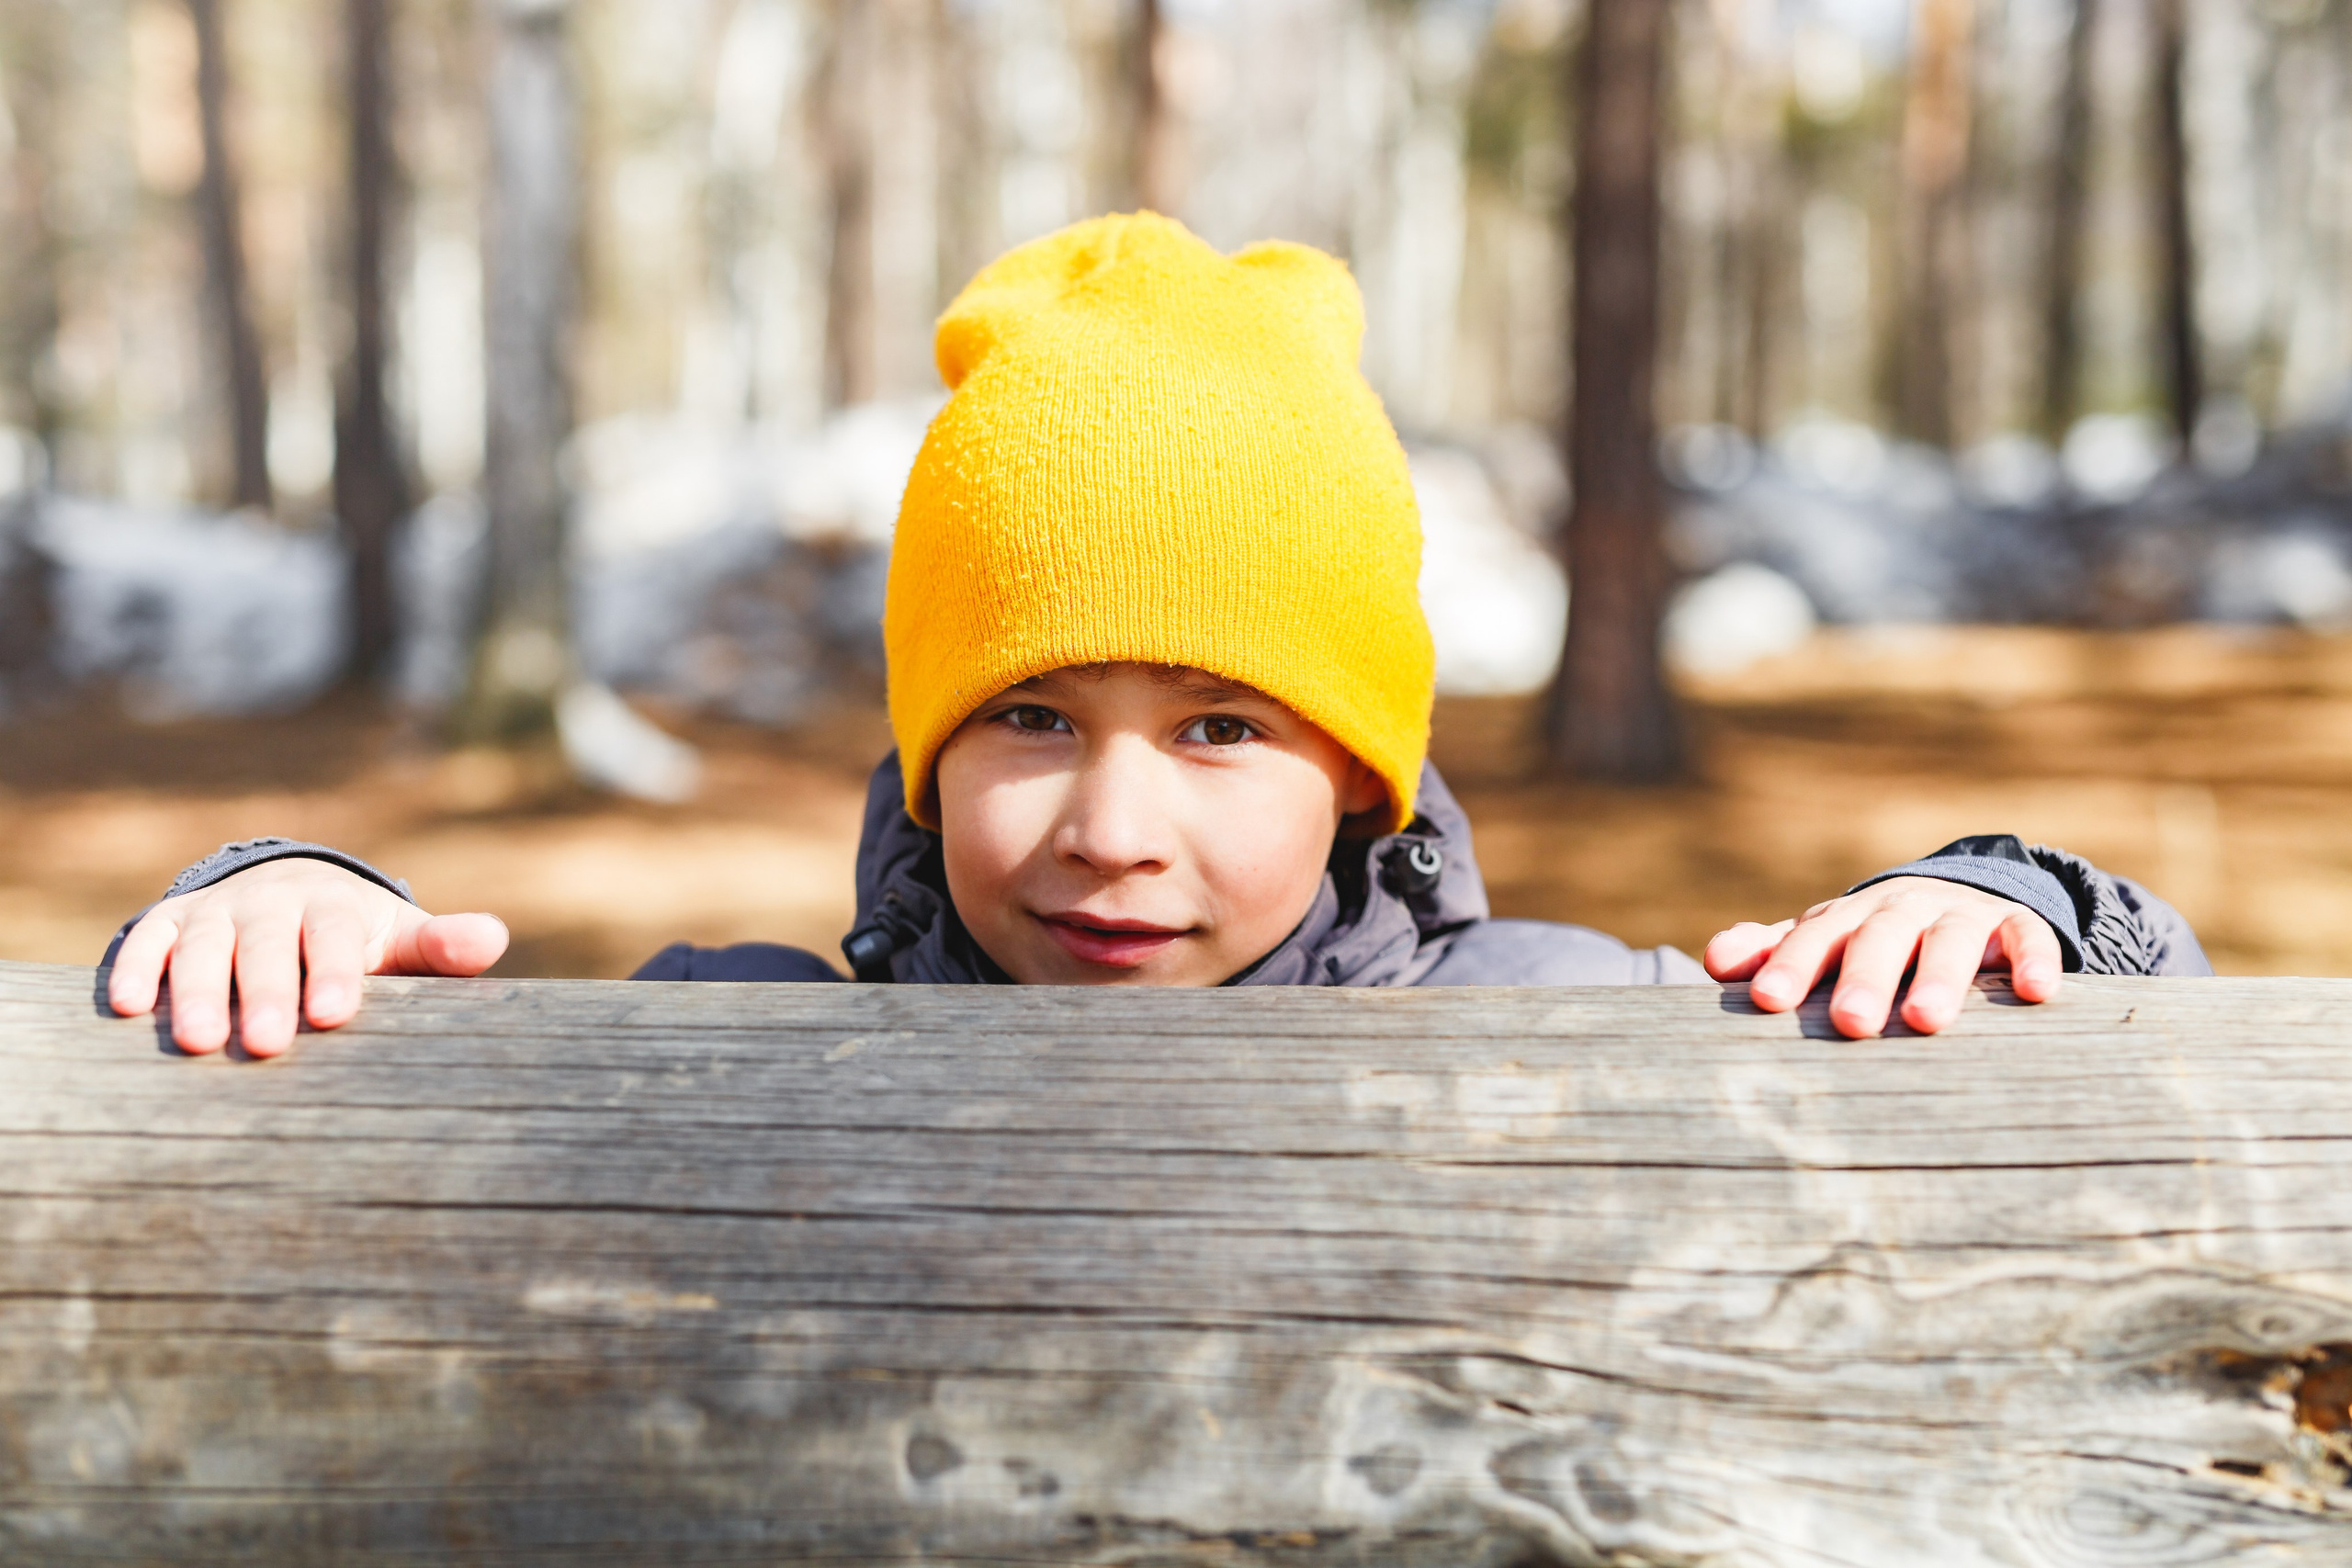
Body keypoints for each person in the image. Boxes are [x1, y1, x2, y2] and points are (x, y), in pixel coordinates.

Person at [103, 215, 2210, 1060]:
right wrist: (277, 895)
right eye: (1025, 709)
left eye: (1217, 724)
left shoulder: (1568, 1017)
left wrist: (1997, 897)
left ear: (1363, 768)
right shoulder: (740, 1035)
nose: (1112, 826)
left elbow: (2159, 1018)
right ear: (922, 752)